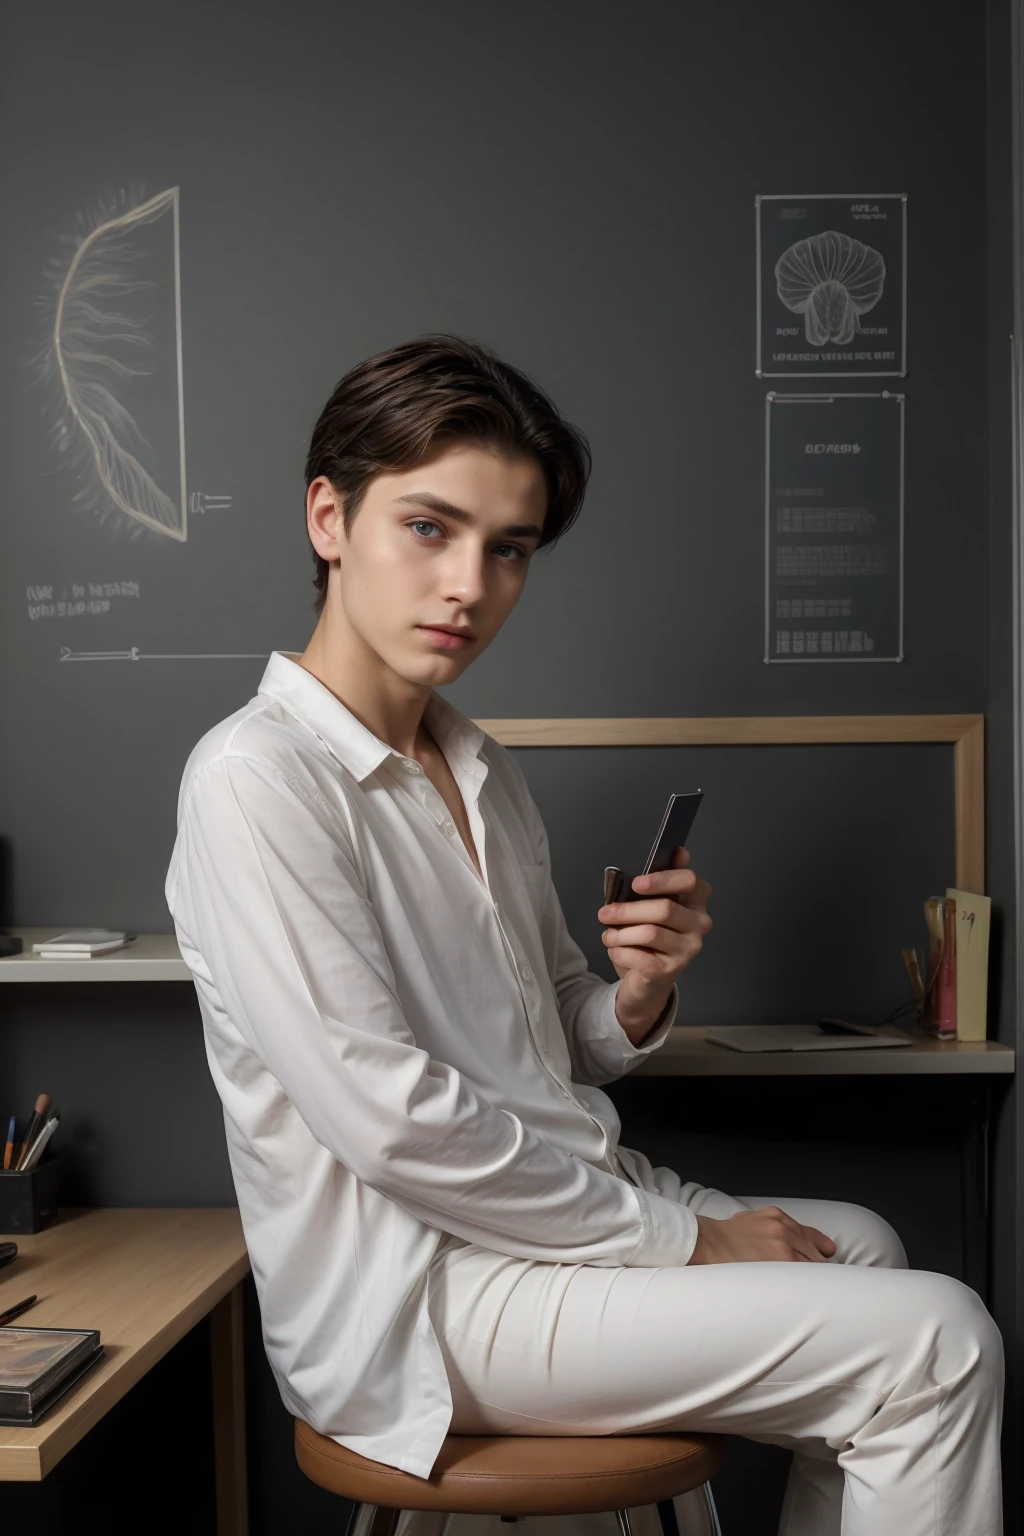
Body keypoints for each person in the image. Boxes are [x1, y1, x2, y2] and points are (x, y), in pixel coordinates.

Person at [164, 334, 1003, 1536]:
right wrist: (688, 1242)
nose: (469, 585)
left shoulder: (478, 766)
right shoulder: (254, 777)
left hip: (551, 1225)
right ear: (328, 518)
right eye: (429, 528)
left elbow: (561, 1034)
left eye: (509, 550)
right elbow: (387, 1120)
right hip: (418, 1294)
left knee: (862, 1246)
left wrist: (637, 993)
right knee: (939, 1344)